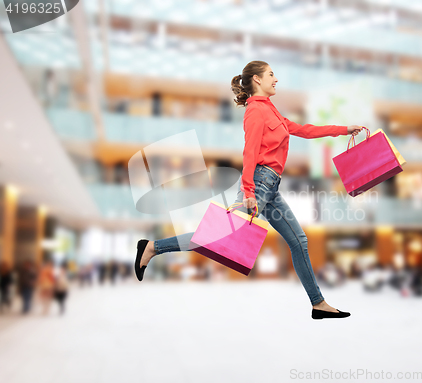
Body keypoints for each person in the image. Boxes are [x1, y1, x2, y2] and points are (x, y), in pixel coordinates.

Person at [134, 61, 362, 320]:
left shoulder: (271, 111)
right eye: (271, 75)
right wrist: (249, 191)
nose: (276, 79)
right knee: (217, 236)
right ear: (256, 80)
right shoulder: (255, 111)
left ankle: (318, 304)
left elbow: (305, 131)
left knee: (299, 241)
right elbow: (250, 152)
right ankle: (153, 247)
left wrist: (344, 130)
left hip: (271, 187)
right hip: (258, 182)